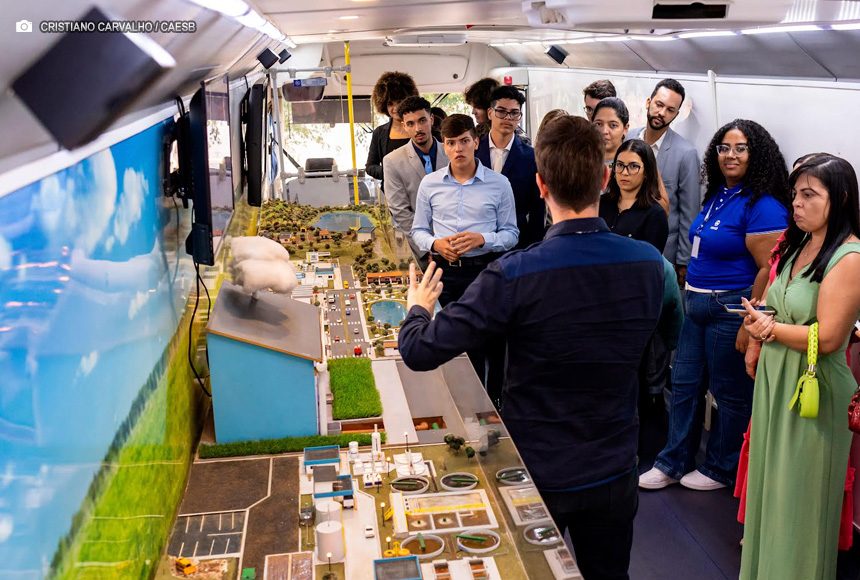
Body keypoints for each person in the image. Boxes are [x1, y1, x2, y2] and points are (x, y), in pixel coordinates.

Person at [401, 114, 668, 580]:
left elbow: (420, 350)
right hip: (614, 465)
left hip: (538, 470)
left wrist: (419, 307)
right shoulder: (649, 265)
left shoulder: (514, 274)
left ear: (541, 185)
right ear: (605, 179)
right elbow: (661, 341)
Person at [639, 119, 791, 492]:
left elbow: (769, 270)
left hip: (730, 307)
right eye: (724, 148)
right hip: (695, 303)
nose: (730, 155)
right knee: (684, 384)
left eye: (740, 148)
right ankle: (672, 462)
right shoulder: (719, 194)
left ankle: (722, 468)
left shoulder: (763, 206)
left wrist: (750, 322)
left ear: (757, 154)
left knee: (729, 391)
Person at [739, 154, 860, 579]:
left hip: (813, 388)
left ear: (839, 198)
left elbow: (828, 339)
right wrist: (760, 323)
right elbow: (782, 304)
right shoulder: (800, 243)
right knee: (771, 491)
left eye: (809, 195)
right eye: (795, 194)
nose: (797, 203)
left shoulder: (849, 257)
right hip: (778, 379)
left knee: (799, 505)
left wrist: (768, 329)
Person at [410, 113, 518, 379]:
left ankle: (491, 399)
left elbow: (511, 234)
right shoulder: (429, 184)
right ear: (444, 146)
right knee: (448, 344)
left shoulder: (499, 184)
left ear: (476, 142)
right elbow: (418, 231)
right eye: (451, 143)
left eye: (464, 141)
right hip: (443, 273)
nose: (458, 149)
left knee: (487, 344)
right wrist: (436, 243)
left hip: (484, 272)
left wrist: (483, 239)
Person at [627, 79, 701, 285]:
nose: (662, 113)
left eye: (670, 110)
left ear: (676, 114)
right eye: (659, 105)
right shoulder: (628, 139)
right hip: (625, 243)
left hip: (663, 251)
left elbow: (689, 212)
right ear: (648, 102)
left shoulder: (686, 153)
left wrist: (683, 261)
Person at [383, 96, 448, 267]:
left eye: (422, 121)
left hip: (455, 245)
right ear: (404, 126)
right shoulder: (392, 161)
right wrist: (428, 246)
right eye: (410, 124)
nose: (418, 128)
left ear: (431, 119)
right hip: (421, 251)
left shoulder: (452, 153)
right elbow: (400, 211)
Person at [477, 86, 545, 249]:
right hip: (477, 243)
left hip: (517, 244)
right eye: (501, 111)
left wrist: (533, 249)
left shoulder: (532, 157)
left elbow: (537, 209)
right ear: (490, 113)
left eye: (514, 113)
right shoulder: (473, 151)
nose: (508, 117)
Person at [599, 139, 668, 252]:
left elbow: (651, 259)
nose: (624, 172)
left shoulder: (655, 214)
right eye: (620, 165)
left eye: (633, 166)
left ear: (646, 172)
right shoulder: (601, 203)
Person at [365, 71, 419, 189]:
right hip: (391, 192)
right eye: (390, 104)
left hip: (420, 190)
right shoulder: (379, 133)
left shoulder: (420, 128)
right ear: (383, 105)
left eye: (399, 102)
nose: (395, 108)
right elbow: (370, 167)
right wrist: (389, 171)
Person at [591, 97, 629, 169]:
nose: (604, 131)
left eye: (613, 125)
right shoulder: (581, 160)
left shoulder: (633, 164)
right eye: (598, 124)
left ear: (625, 129)